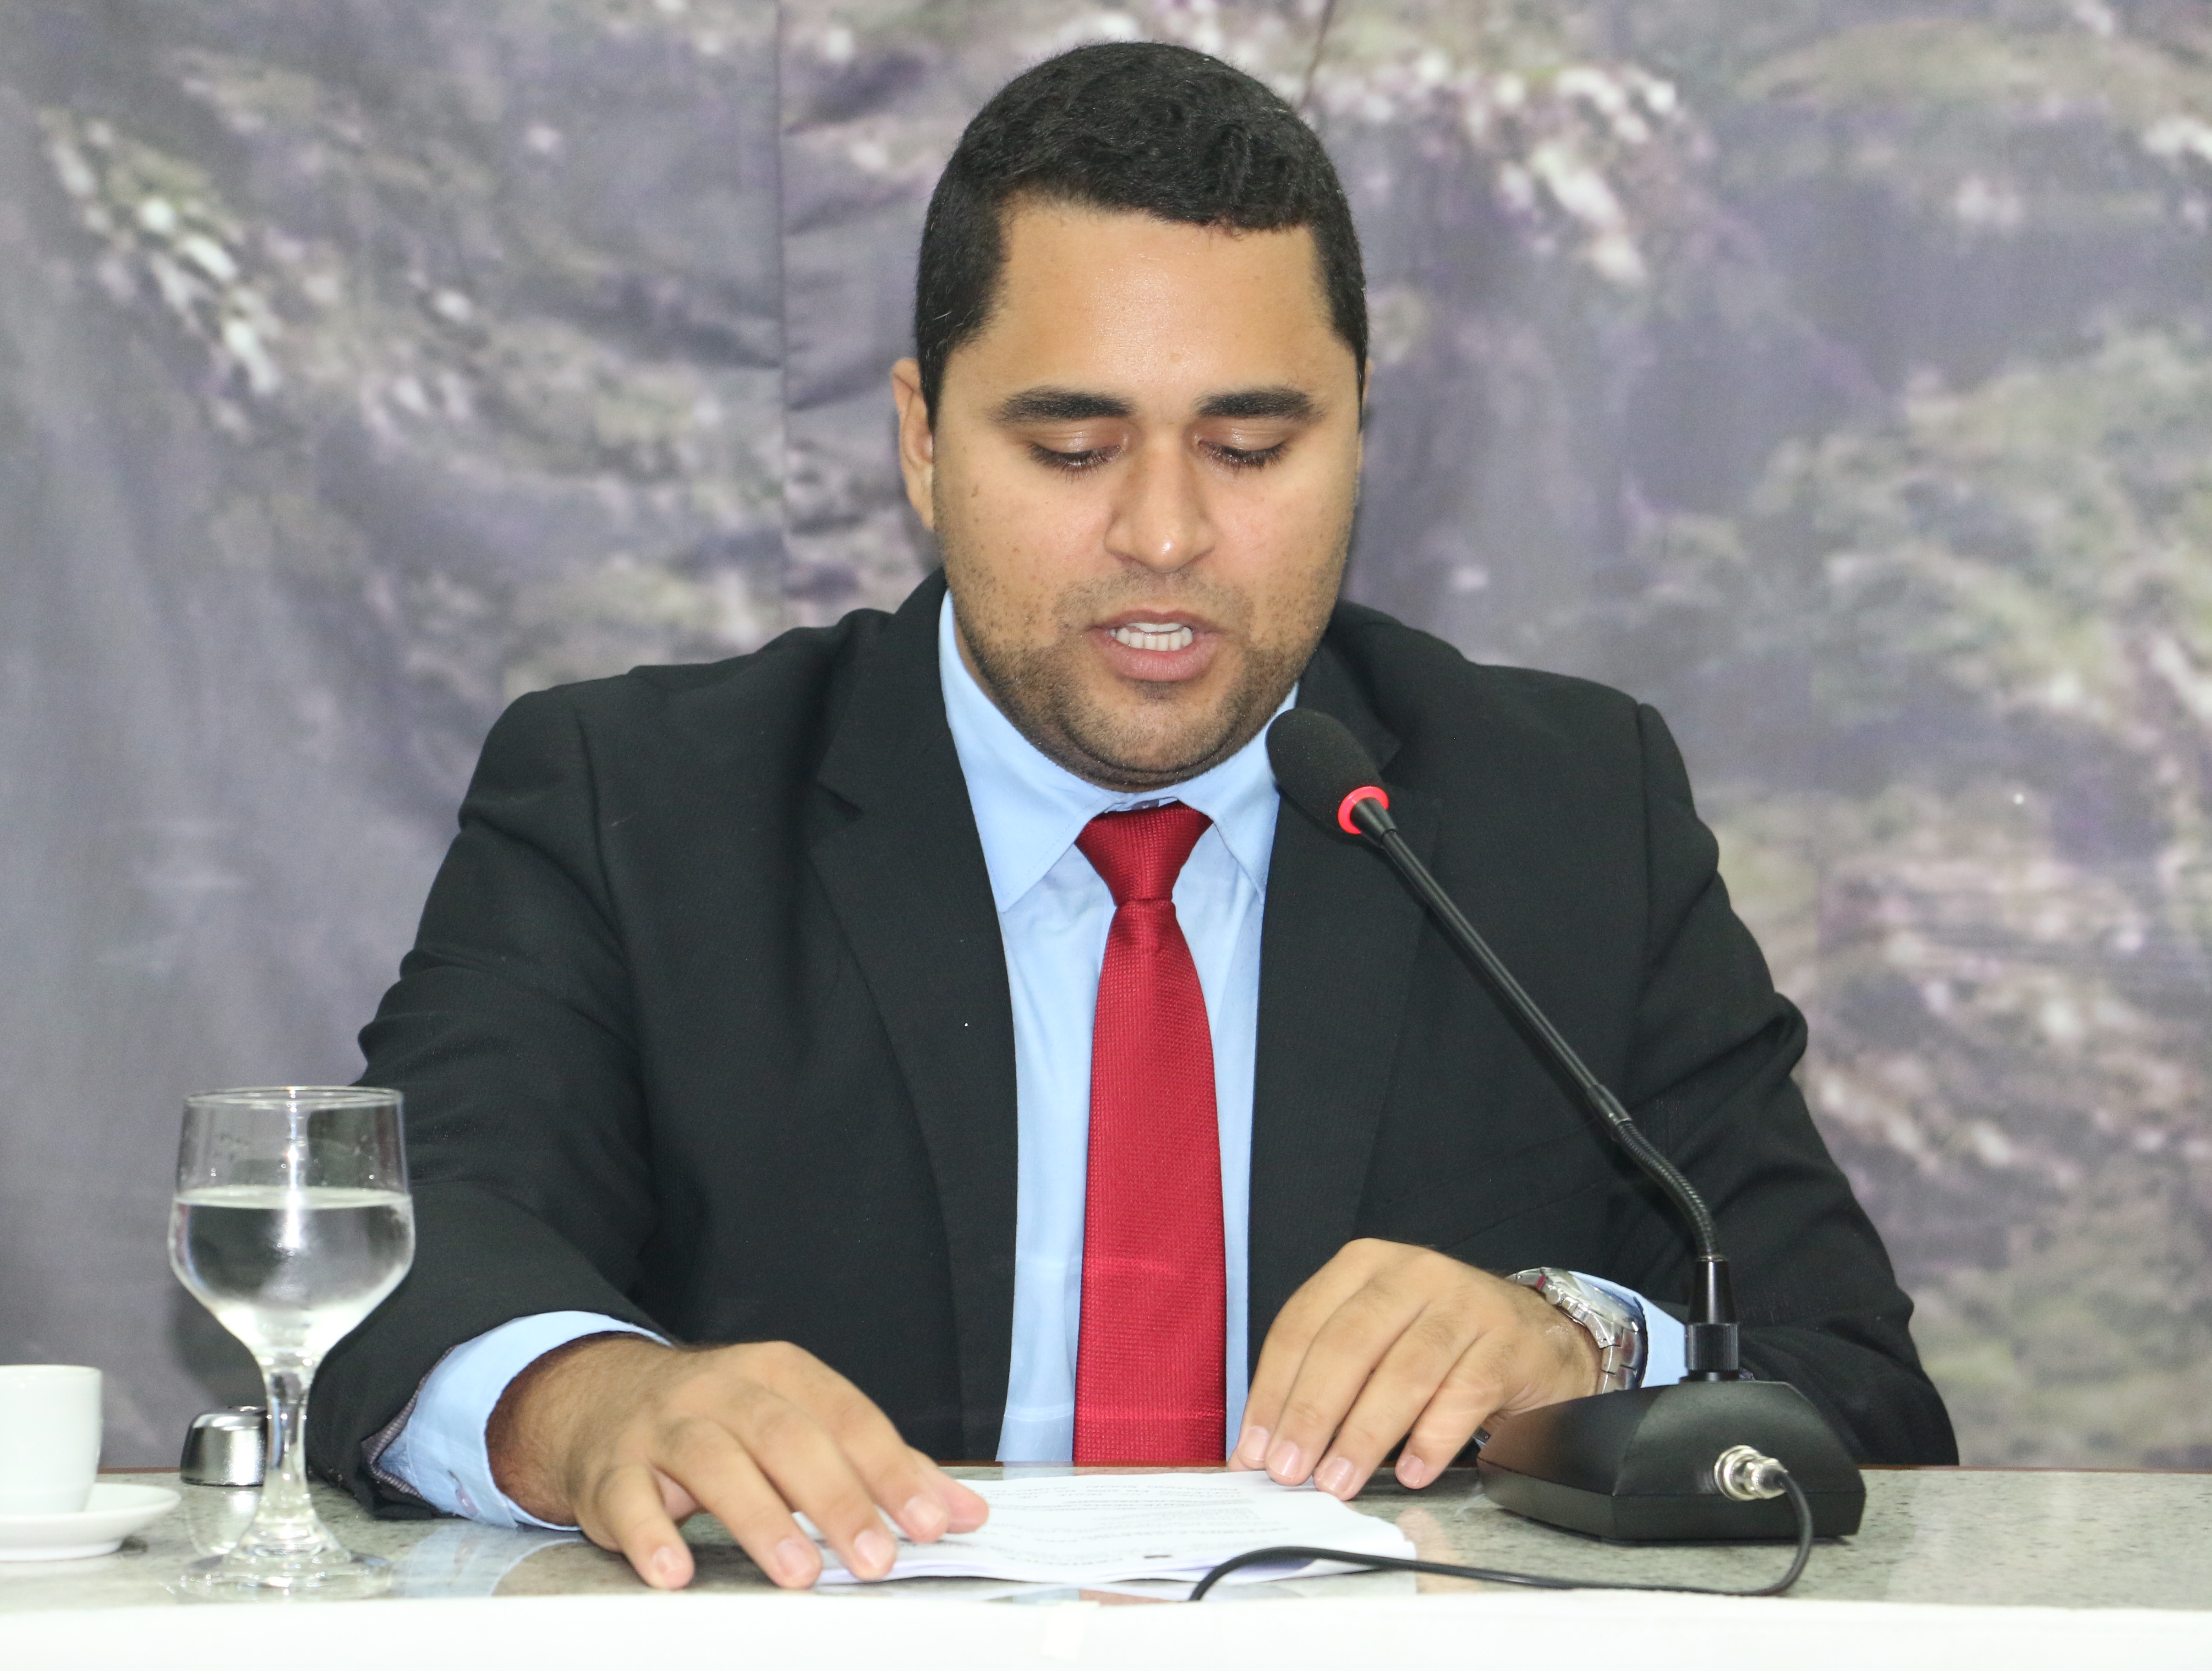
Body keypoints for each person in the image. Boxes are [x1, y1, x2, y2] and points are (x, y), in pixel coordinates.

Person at [310, 41, 1956, 1593]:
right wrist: (588, 1402)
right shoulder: (638, 801)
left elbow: (1856, 1392)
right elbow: (403, 1249)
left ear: (1357, 441)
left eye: (1249, 447)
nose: (1163, 534)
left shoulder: (1568, 807)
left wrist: (1581, 1346)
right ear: (922, 443)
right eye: (1073, 446)